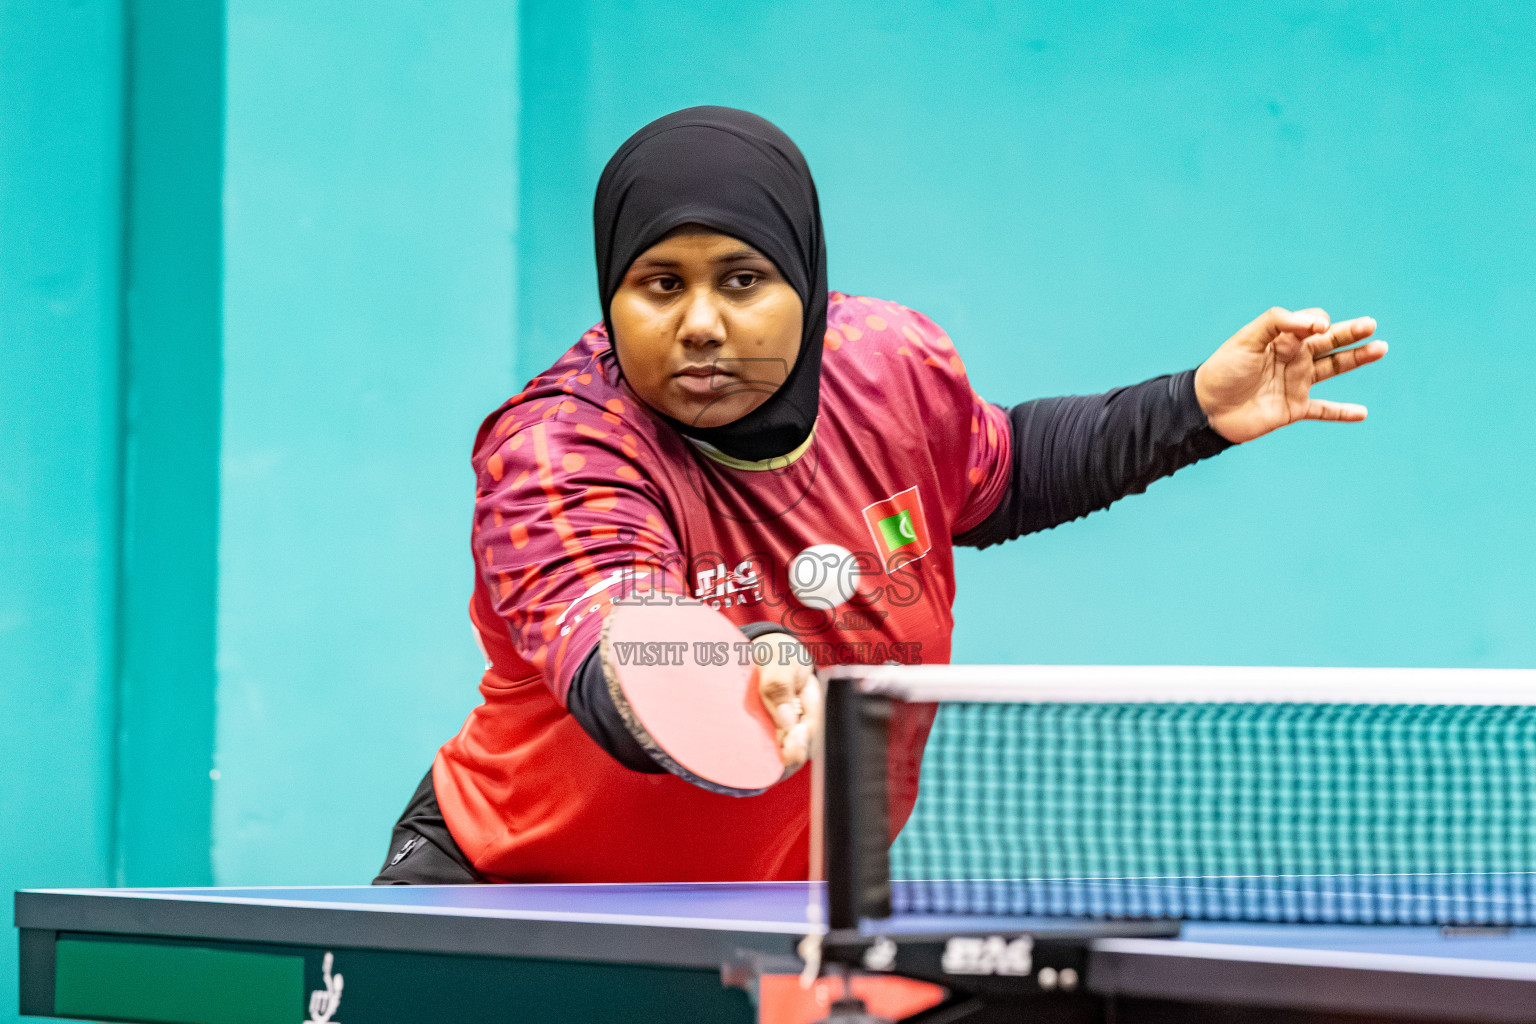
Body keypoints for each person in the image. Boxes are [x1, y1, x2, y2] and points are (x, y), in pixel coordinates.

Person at [374, 106, 1386, 885]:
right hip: (511, 895)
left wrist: (1195, 406)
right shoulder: (561, 446)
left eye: (740, 279)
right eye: (659, 284)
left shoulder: (889, 366)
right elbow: (603, 616)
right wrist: (722, 674)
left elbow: (1001, 469)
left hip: (775, 907)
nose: (701, 324)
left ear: (805, 281)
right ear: (611, 293)